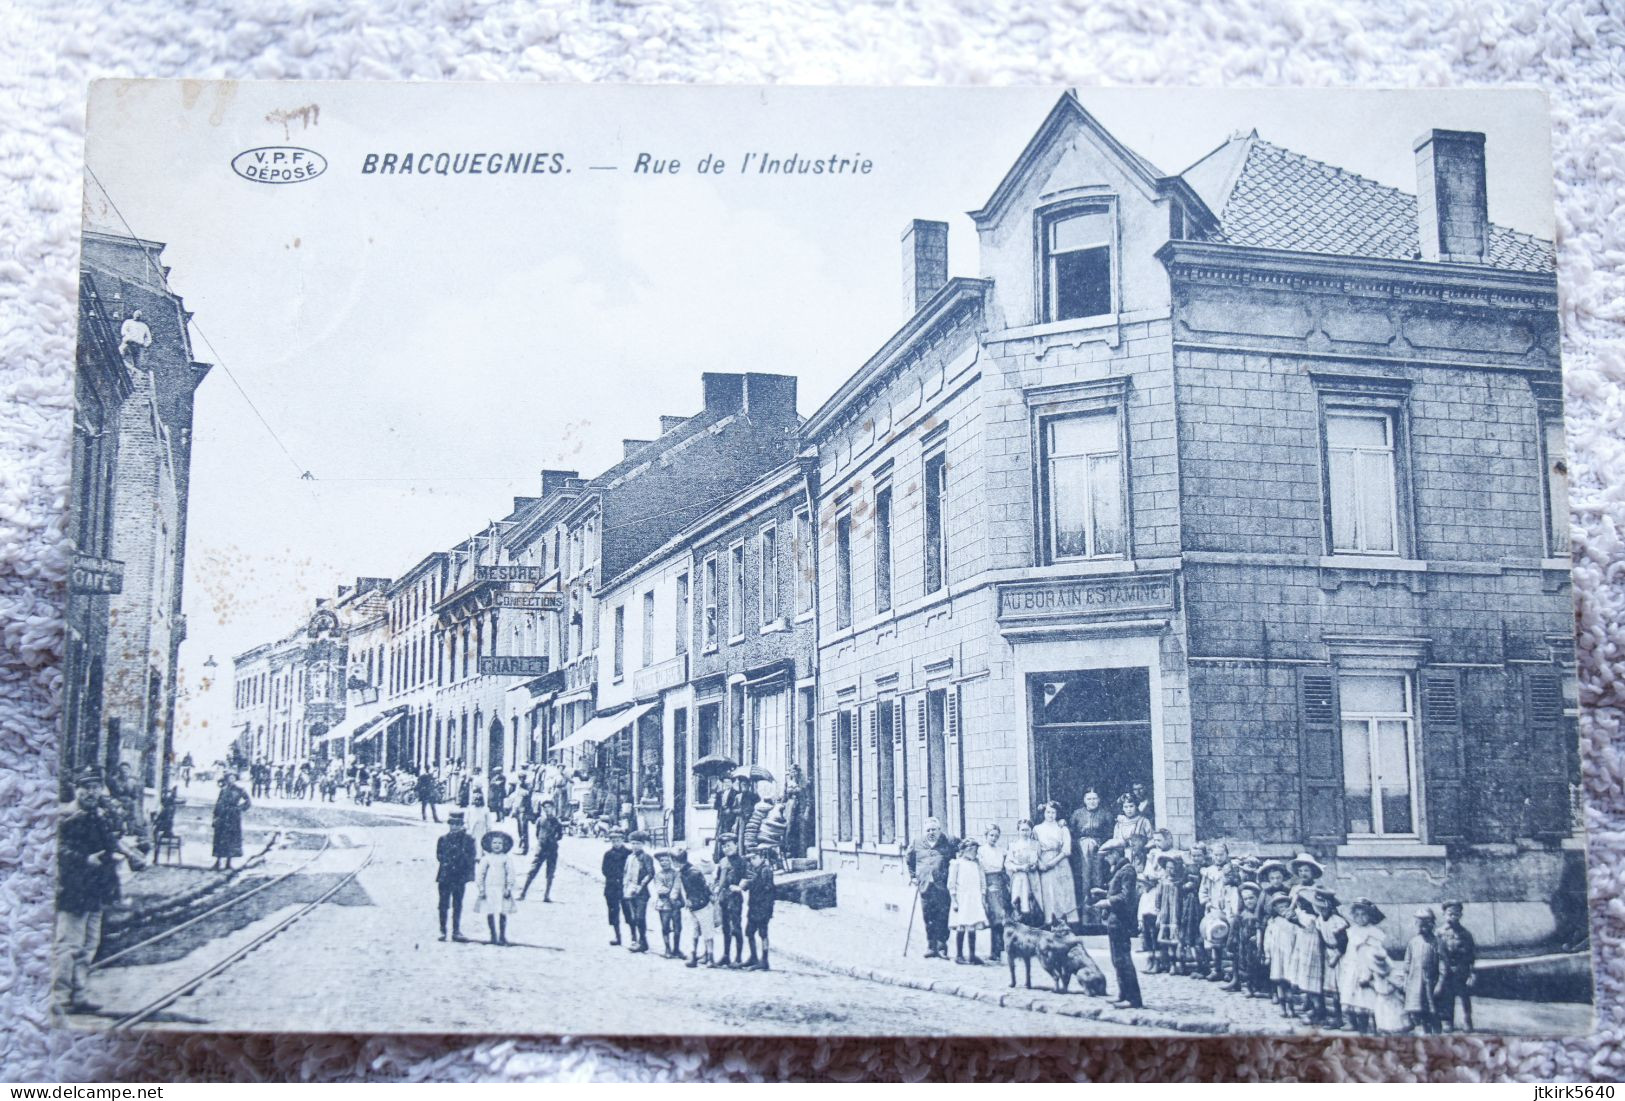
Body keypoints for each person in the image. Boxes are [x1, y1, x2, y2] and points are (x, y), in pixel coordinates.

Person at [54, 768, 124, 1014]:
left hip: (96, 890)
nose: (92, 792)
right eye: (87, 787)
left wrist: (119, 854)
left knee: (88, 946)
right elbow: (56, 852)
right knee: (69, 946)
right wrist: (85, 859)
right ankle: (60, 998)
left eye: (96, 787)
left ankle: (80, 995)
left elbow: (110, 843)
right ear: (77, 789)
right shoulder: (64, 815)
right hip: (73, 889)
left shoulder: (99, 815)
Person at [1340, 898, 1403, 1034]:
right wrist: (1347, 967)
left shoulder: (1374, 933)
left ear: (1370, 916)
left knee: (1370, 1001)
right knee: (1356, 1000)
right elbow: (1350, 951)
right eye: (1356, 915)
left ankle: (1376, 1029)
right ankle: (1361, 1030)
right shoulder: (1352, 931)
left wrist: (1368, 974)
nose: (1360, 918)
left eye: (1363, 914)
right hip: (1353, 968)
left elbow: (1375, 954)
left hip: (1368, 969)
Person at [1092, 839, 1143, 1009]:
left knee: (1124, 960)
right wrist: (1104, 893)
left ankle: (1134, 999)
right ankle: (1123, 994)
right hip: (1114, 921)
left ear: (1115, 854)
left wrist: (1106, 902)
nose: (1106, 860)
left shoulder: (1127, 871)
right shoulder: (1120, 870)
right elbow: (1117, 892)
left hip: (1121, 921)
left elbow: (1126, 898)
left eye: (1107, 856)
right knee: (1117, 960)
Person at [906, 816, 958, 960]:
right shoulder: (917, 842)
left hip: (942, 886)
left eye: (934, 829)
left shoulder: (948, 842)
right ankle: (930, 946)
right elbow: (909, 859)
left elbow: (962, 850)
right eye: (928, 830)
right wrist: (913, 877)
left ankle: (942, 948)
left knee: (942, 916)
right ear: (924, 831)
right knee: (928, 916)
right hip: (925, 886)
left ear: (939, 830)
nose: (931, 832)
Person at [1068, 790, 1114, 914]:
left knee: (1098, 875)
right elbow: (1071, 832)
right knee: (1084, 876)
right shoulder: (1077, 814)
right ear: (1084, 800)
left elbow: (1110, 833)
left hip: (1100, 848)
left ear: (1099, 800)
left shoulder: (1105, 814)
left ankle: (1099, 906)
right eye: (1089, 799)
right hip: (1081, 849)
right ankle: (1084, 907)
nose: (1092, 801)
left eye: (1094, 798)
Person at [1032, 802, 1076, 927]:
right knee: (1048, 892)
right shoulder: (1037, 829)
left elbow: (1066, 850)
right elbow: (1034, 849)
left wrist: (1051, 863)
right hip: (1044, 862)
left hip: (1060, 862)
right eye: (1048, 812)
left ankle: (1063, 922)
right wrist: (1040, 863)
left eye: (1053, 812)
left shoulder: (1062, 828)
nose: (1051, 815)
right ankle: (1050, 922)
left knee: (1062, 892)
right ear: (1044, 813)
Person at [1436, 900, 1478, 1032]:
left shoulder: (1466, 934)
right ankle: (1448, 1021)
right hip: (1446, 970)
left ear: (1460, 915)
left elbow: (1471, 954)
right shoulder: (1439, 933)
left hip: (1462, 970)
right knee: (1447, 997)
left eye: (1456, 914)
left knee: (1464, 996)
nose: (1453, 916)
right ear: (1444, 914)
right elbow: (1436, 953)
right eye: (1450, 913)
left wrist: (1472, 973)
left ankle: (1467, 1020)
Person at [435, 812, 477, 942]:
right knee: (443, 904)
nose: (454, 827)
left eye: (457, 824)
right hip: (445, 876)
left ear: (462, 825)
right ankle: (442, 930)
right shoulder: (443, 839)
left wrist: (466, 872)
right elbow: (439, 856)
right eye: (452, 824)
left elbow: (471, 858)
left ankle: (456, 931)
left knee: (457, 904)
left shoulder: (469, 840)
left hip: (459, 877)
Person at [947, 837, 989, 965]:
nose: (975, 853)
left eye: (976, 850)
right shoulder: (957, 864)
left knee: (972, 925)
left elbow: (983, 882)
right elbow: (951, 884)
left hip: (974, 898)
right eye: (972, 850)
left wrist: (983, 897)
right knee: (961, 924)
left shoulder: (977, 864)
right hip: (962, 898)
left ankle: (972, 955)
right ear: (965, 850)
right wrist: (954, 900)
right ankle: (959, 955)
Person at [474, 830, 517, 945]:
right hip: (489, 889)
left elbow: (511, 874)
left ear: (504, 846)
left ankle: (502, 936)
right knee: (490, 911)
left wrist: (509, 888)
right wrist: (481, 889)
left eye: (499, 843)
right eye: (494, 843)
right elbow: (480, 874)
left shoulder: (506, 859)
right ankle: (493, 935)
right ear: (489, 845)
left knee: (503, 911)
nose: (497, 846)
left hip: (502, 889)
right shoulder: (486, 859)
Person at [1404, 908, 1442, 1034]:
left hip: (1431, 982)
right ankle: (1425, 1033)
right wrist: (1406, 980)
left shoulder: (1437, 942)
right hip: (1415, 982)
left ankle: (1437, 1034)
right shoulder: (1413, 942)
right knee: (1418, 1009)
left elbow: (1443, 964)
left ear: (1432, 925)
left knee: (1433, 1010)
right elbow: (1407, 962)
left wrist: (1440, 983)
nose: (1422, 928)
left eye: (1426, 925)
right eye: (1419, 925)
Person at [713, 836, 748, 967]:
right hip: (724, 897)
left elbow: (748, 877)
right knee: (725, 927)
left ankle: (738, 958)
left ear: (736, 845)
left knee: (736, 927)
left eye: (729, 845)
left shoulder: (742, 861)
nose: (726, 849)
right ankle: (726, 956)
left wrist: (740, 887)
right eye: (724, 846)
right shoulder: (722, 861)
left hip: (735, 898)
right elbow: (718, 878)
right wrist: (716, 887)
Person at [978, 824, 1012, 961]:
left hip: (1000, 882)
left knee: (1003, 916)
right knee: (995, 916)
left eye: (996, 836)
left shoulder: (1001, 851)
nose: (994, 838)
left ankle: (1000, 949)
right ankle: (995, 950)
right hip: (988, 881)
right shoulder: (981, 851)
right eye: (991, 835)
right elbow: (980, 869)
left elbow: (1005, 867)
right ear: (986, 836)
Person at [620, 830, 656, 953]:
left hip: (641, 892)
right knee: (632, 917)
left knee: (640, 917)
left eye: (637, 844)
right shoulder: (630, 857)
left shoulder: (646, 857)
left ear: (642, 844)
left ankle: (643, 940)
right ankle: (634, 939)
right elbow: (626, 873)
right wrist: (625, 887)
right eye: (633, 843)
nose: (635, 846)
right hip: (629, 890)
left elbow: (650, 873)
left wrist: (641, 885)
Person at [677, 850, 714, 968]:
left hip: (702, 905)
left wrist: (693, 900)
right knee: (694, 931)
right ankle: (694, 955)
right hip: (693, 906)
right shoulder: (683, 872)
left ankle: (710, 957)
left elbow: (704, 890)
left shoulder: (693, 873)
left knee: (707, 931)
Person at [743, 844, 777, 970]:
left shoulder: (766, 870)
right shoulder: (754, 869)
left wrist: (751, 883)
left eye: (754, 858)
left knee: (763, 934)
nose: (752, 861)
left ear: (761, 857)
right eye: (750, 859)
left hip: (763, 907)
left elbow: (767, 889)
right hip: (753, 906)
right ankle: (753, 957)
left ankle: (764, 960)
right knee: (749, 932)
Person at [521, 803, 563, 902]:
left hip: (552, 849)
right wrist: (542, 841)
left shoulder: (557, 822)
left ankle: (546, 895)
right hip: (541, 849)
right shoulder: (540, 820)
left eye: (549, 807)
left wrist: (553, 840)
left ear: (553, 808)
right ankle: (523, 893)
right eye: (545, 808)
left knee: (550, 873)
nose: (547, 810)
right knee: (533, 870)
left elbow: (560, 835)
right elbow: (537, 833)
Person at [211, 773, 251, 871]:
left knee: (231, 839)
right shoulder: (223, 790)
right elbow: (218, 803)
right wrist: (215, 816)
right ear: (227, 779)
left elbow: (248, 801)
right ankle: (217, 862)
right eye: (229, 778)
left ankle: (228, 863)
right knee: (220, 839)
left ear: (235, 779)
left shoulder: (240, 790)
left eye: (233, 778)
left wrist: (239, 808)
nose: (231, 780)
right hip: (223, 816)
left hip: (233, 818)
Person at [1004, 818, 1041, 925]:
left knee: (1032, 901)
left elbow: (1039, 859)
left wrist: (1035, 865)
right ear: (1018, 831)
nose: (1025, 833)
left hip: (1033, 876)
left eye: (1027, 830)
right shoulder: (1013, 845)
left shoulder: (1036, 844)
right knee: (1019, 900)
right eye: (1022, 830)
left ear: (1031, 831)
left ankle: (1032, 924)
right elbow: (1008, 863)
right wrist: (1019, 868)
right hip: (1019, 877)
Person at [652, 850, 686, 959]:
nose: (664, 863)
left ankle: (676, 949)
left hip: (675, 904)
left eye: (666, 860)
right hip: (664, 905)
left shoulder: (677, 873)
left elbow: (677, 886)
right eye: (661, 861)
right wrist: (669, 891)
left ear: (671, 861)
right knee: (665, 927)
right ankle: (667, 949)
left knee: (677, 928)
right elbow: (659, 889)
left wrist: (673, 894)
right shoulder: (658, 875)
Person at [601, 830, 631, 946]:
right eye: (613, 841)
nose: (616, 843)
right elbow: (605, 870)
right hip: (612, 886)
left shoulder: (628, 853)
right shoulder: (608, 854)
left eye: (618, 840)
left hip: (625, 886)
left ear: (622, 840)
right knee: (613, 912)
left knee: (628, 912)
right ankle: (617, 937)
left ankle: (634, 937)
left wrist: (623, 879)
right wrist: (614, 878)